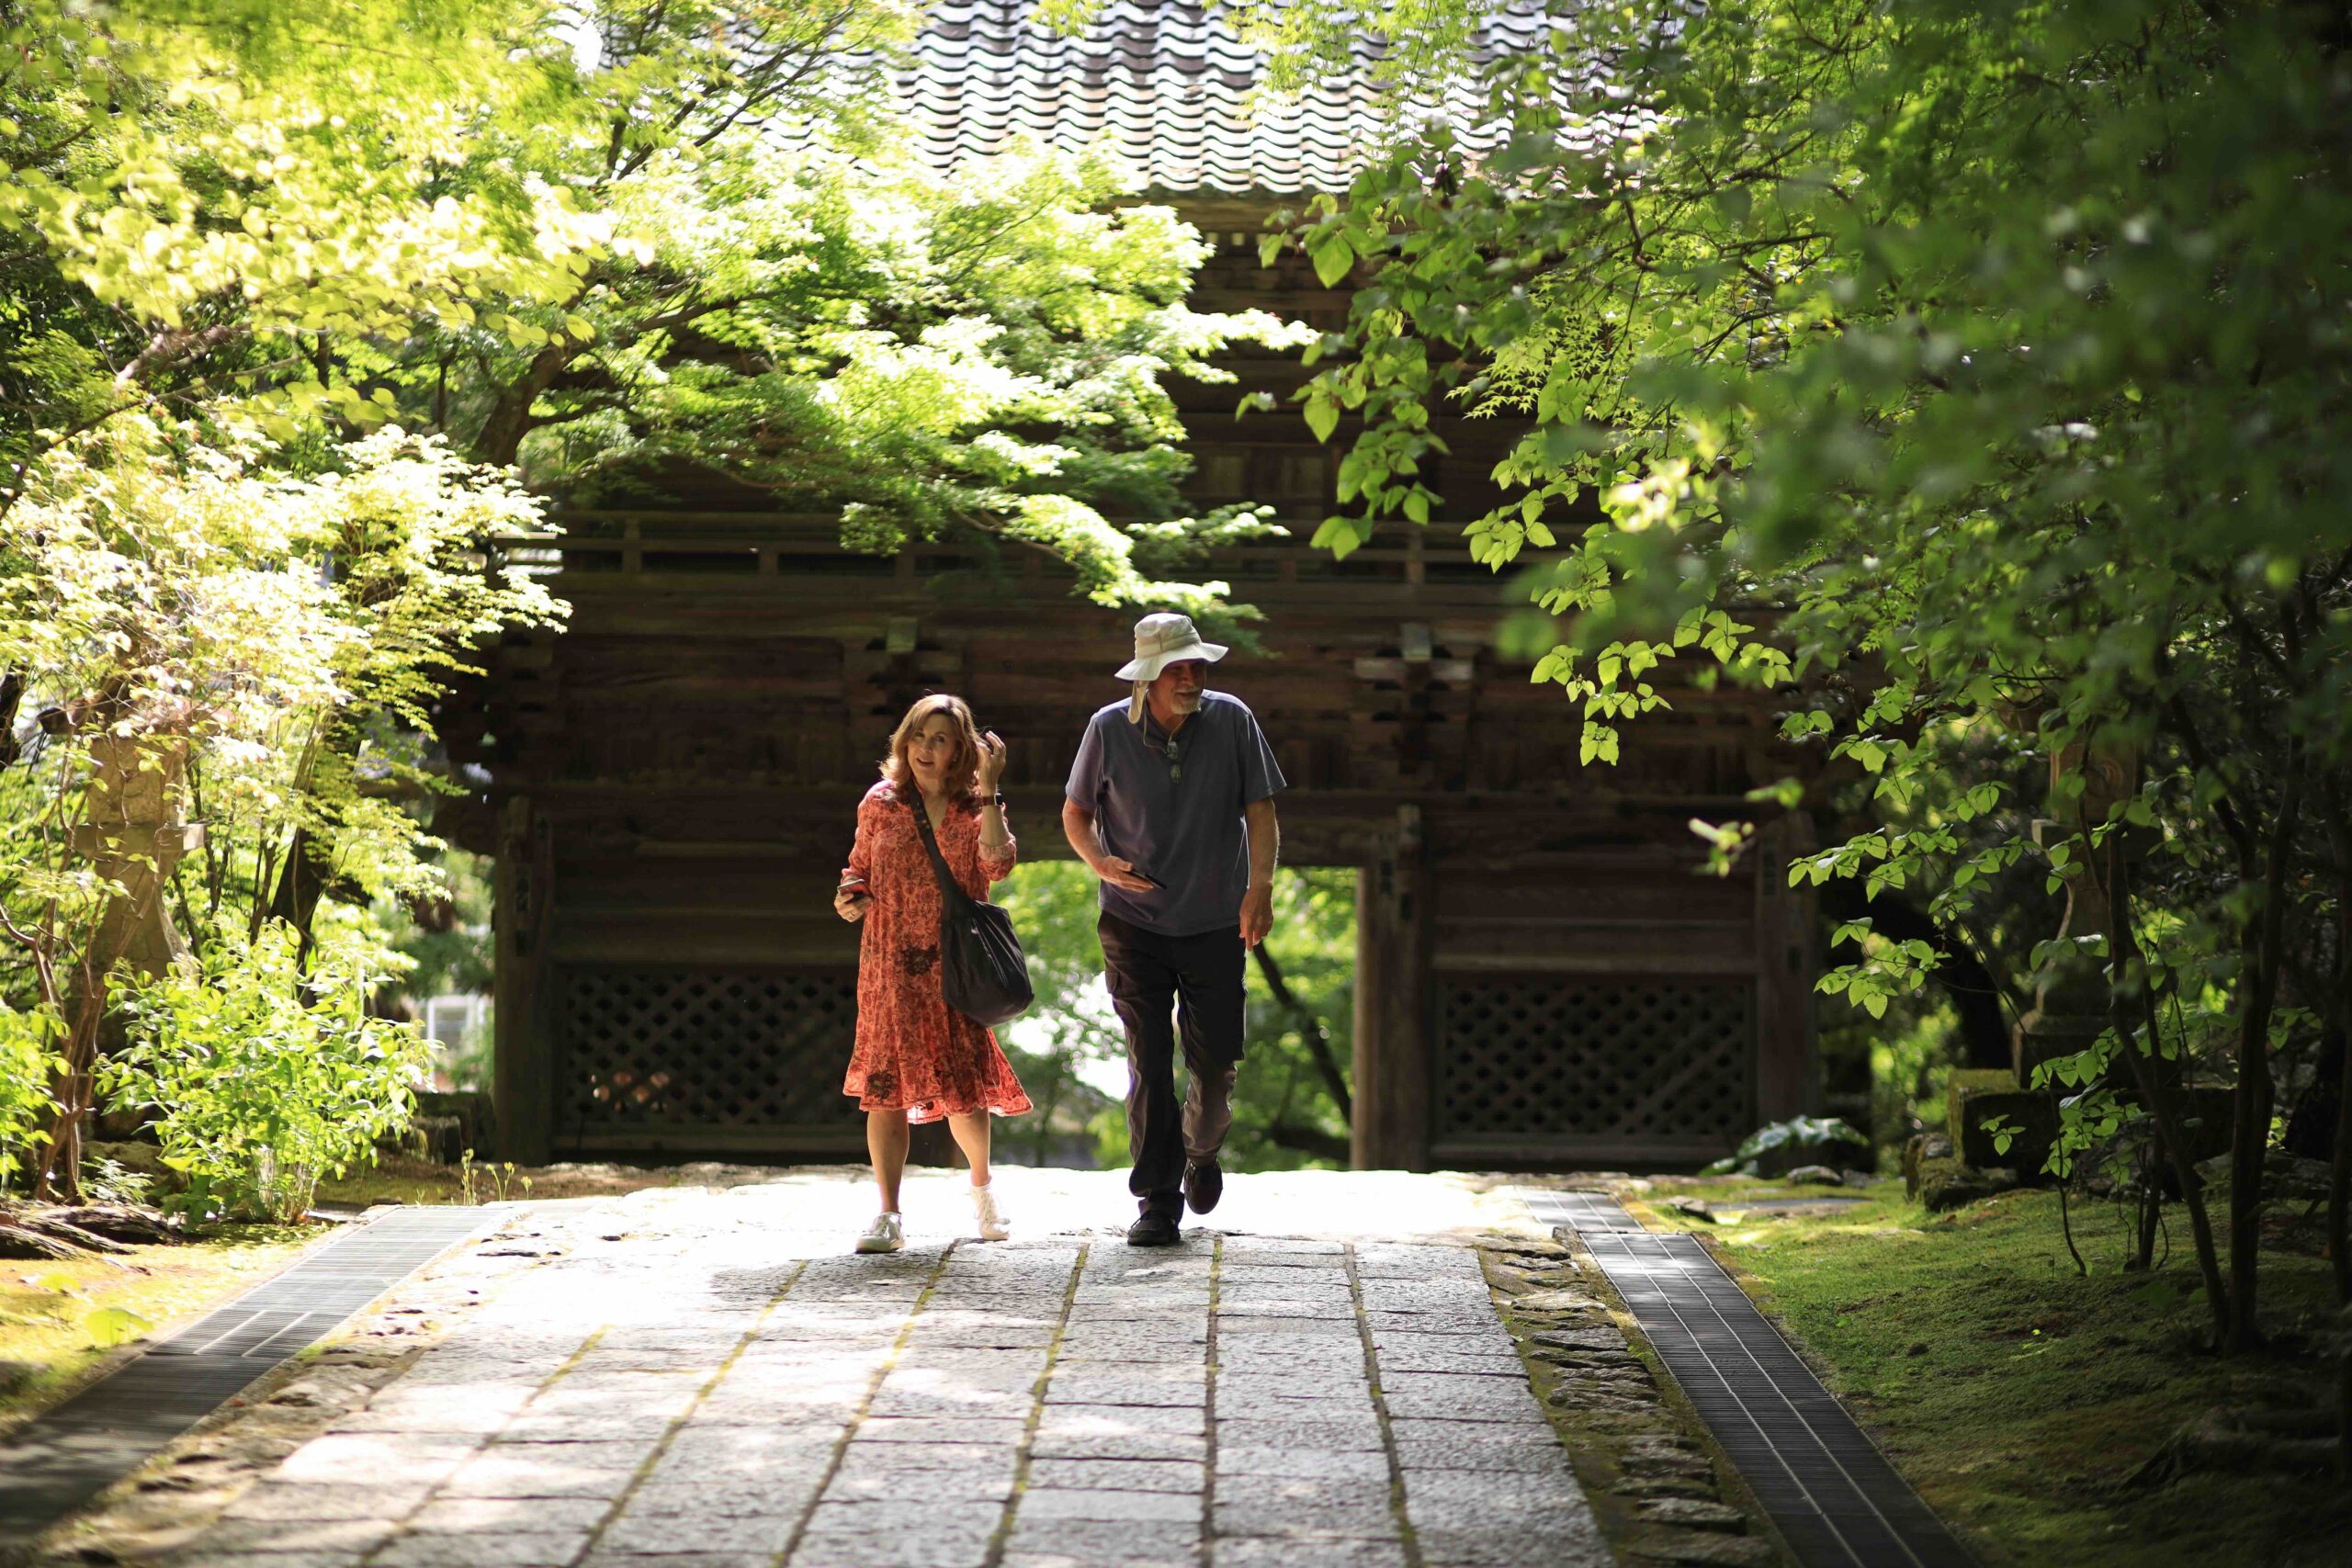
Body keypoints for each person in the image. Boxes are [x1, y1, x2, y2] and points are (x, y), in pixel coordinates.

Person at [1063, 612, 1284, 1246]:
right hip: (1133, 921)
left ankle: (1202, 1151)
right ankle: (1157, 1200)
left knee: (1214, 1065)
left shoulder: (1233, 719)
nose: (1191, 677)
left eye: (1197, 666)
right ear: (1148, 678)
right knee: (1149, 1059)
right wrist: (1098, 860)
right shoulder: (1107, 729)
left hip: (1216, 919)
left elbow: (1262, 809)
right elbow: (1076, 813)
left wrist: (1260, 888)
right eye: (1177, 668)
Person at [836, 694, 1031, 1253]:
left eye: (940, 739)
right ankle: (889, 1214)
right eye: (919, 736)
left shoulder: (976, 806)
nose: (925, 748)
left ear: (959, 749)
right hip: (889, 960)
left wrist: (991, 789)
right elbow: (858, 867)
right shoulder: (880, 802)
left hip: (954, 962)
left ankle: (983, 1190)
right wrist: (850, 894)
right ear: (904, 741)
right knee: (884, 1089)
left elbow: (998, 864)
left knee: (964, 1087)